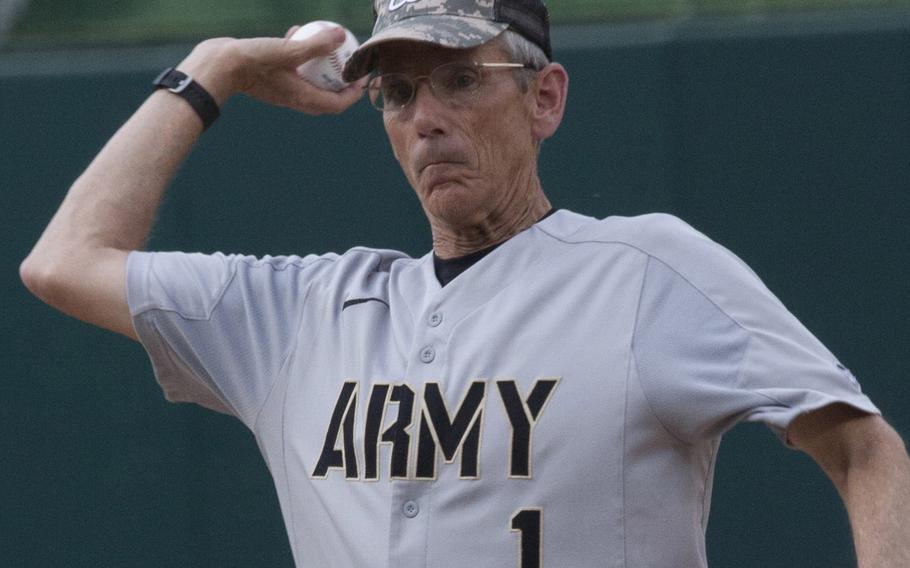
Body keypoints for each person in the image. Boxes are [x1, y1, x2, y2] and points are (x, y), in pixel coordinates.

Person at [19, 0, 910, 566]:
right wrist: (215, 66)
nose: (426, 118)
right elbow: (63, 260)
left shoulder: (646, 271)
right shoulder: (302, 314)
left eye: (457, 78)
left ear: (545, 99)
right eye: (398, 94)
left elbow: (866, 450)